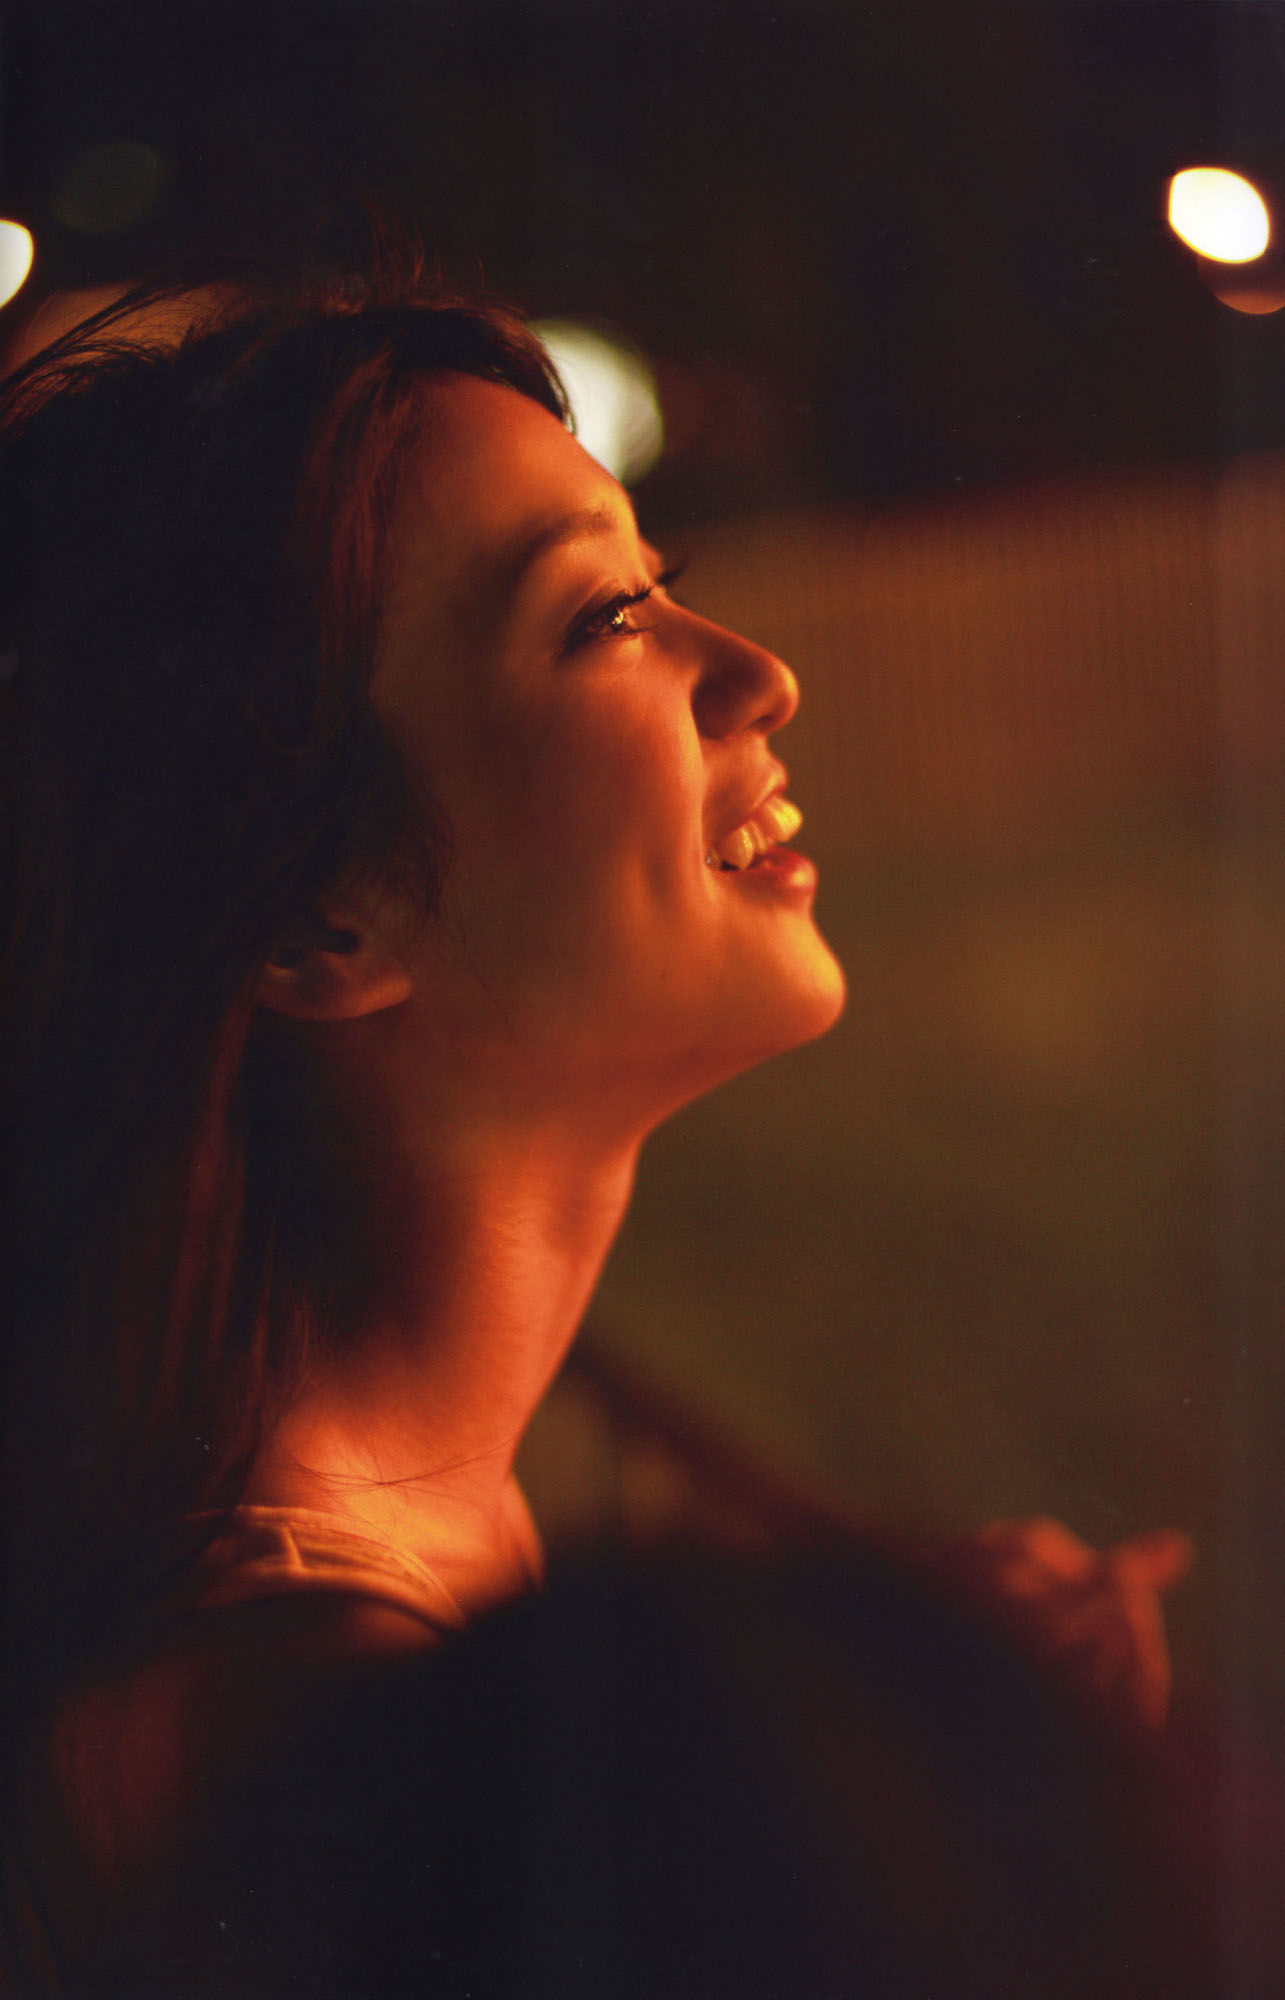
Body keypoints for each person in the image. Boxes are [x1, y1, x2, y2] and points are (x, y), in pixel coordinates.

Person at [0, 256, 1199, 1996]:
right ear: (319, 917)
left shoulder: (352, 1547)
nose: (760, 674)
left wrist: (859, 1744)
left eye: (662, 583)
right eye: (600, 620)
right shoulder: (314, 1727)